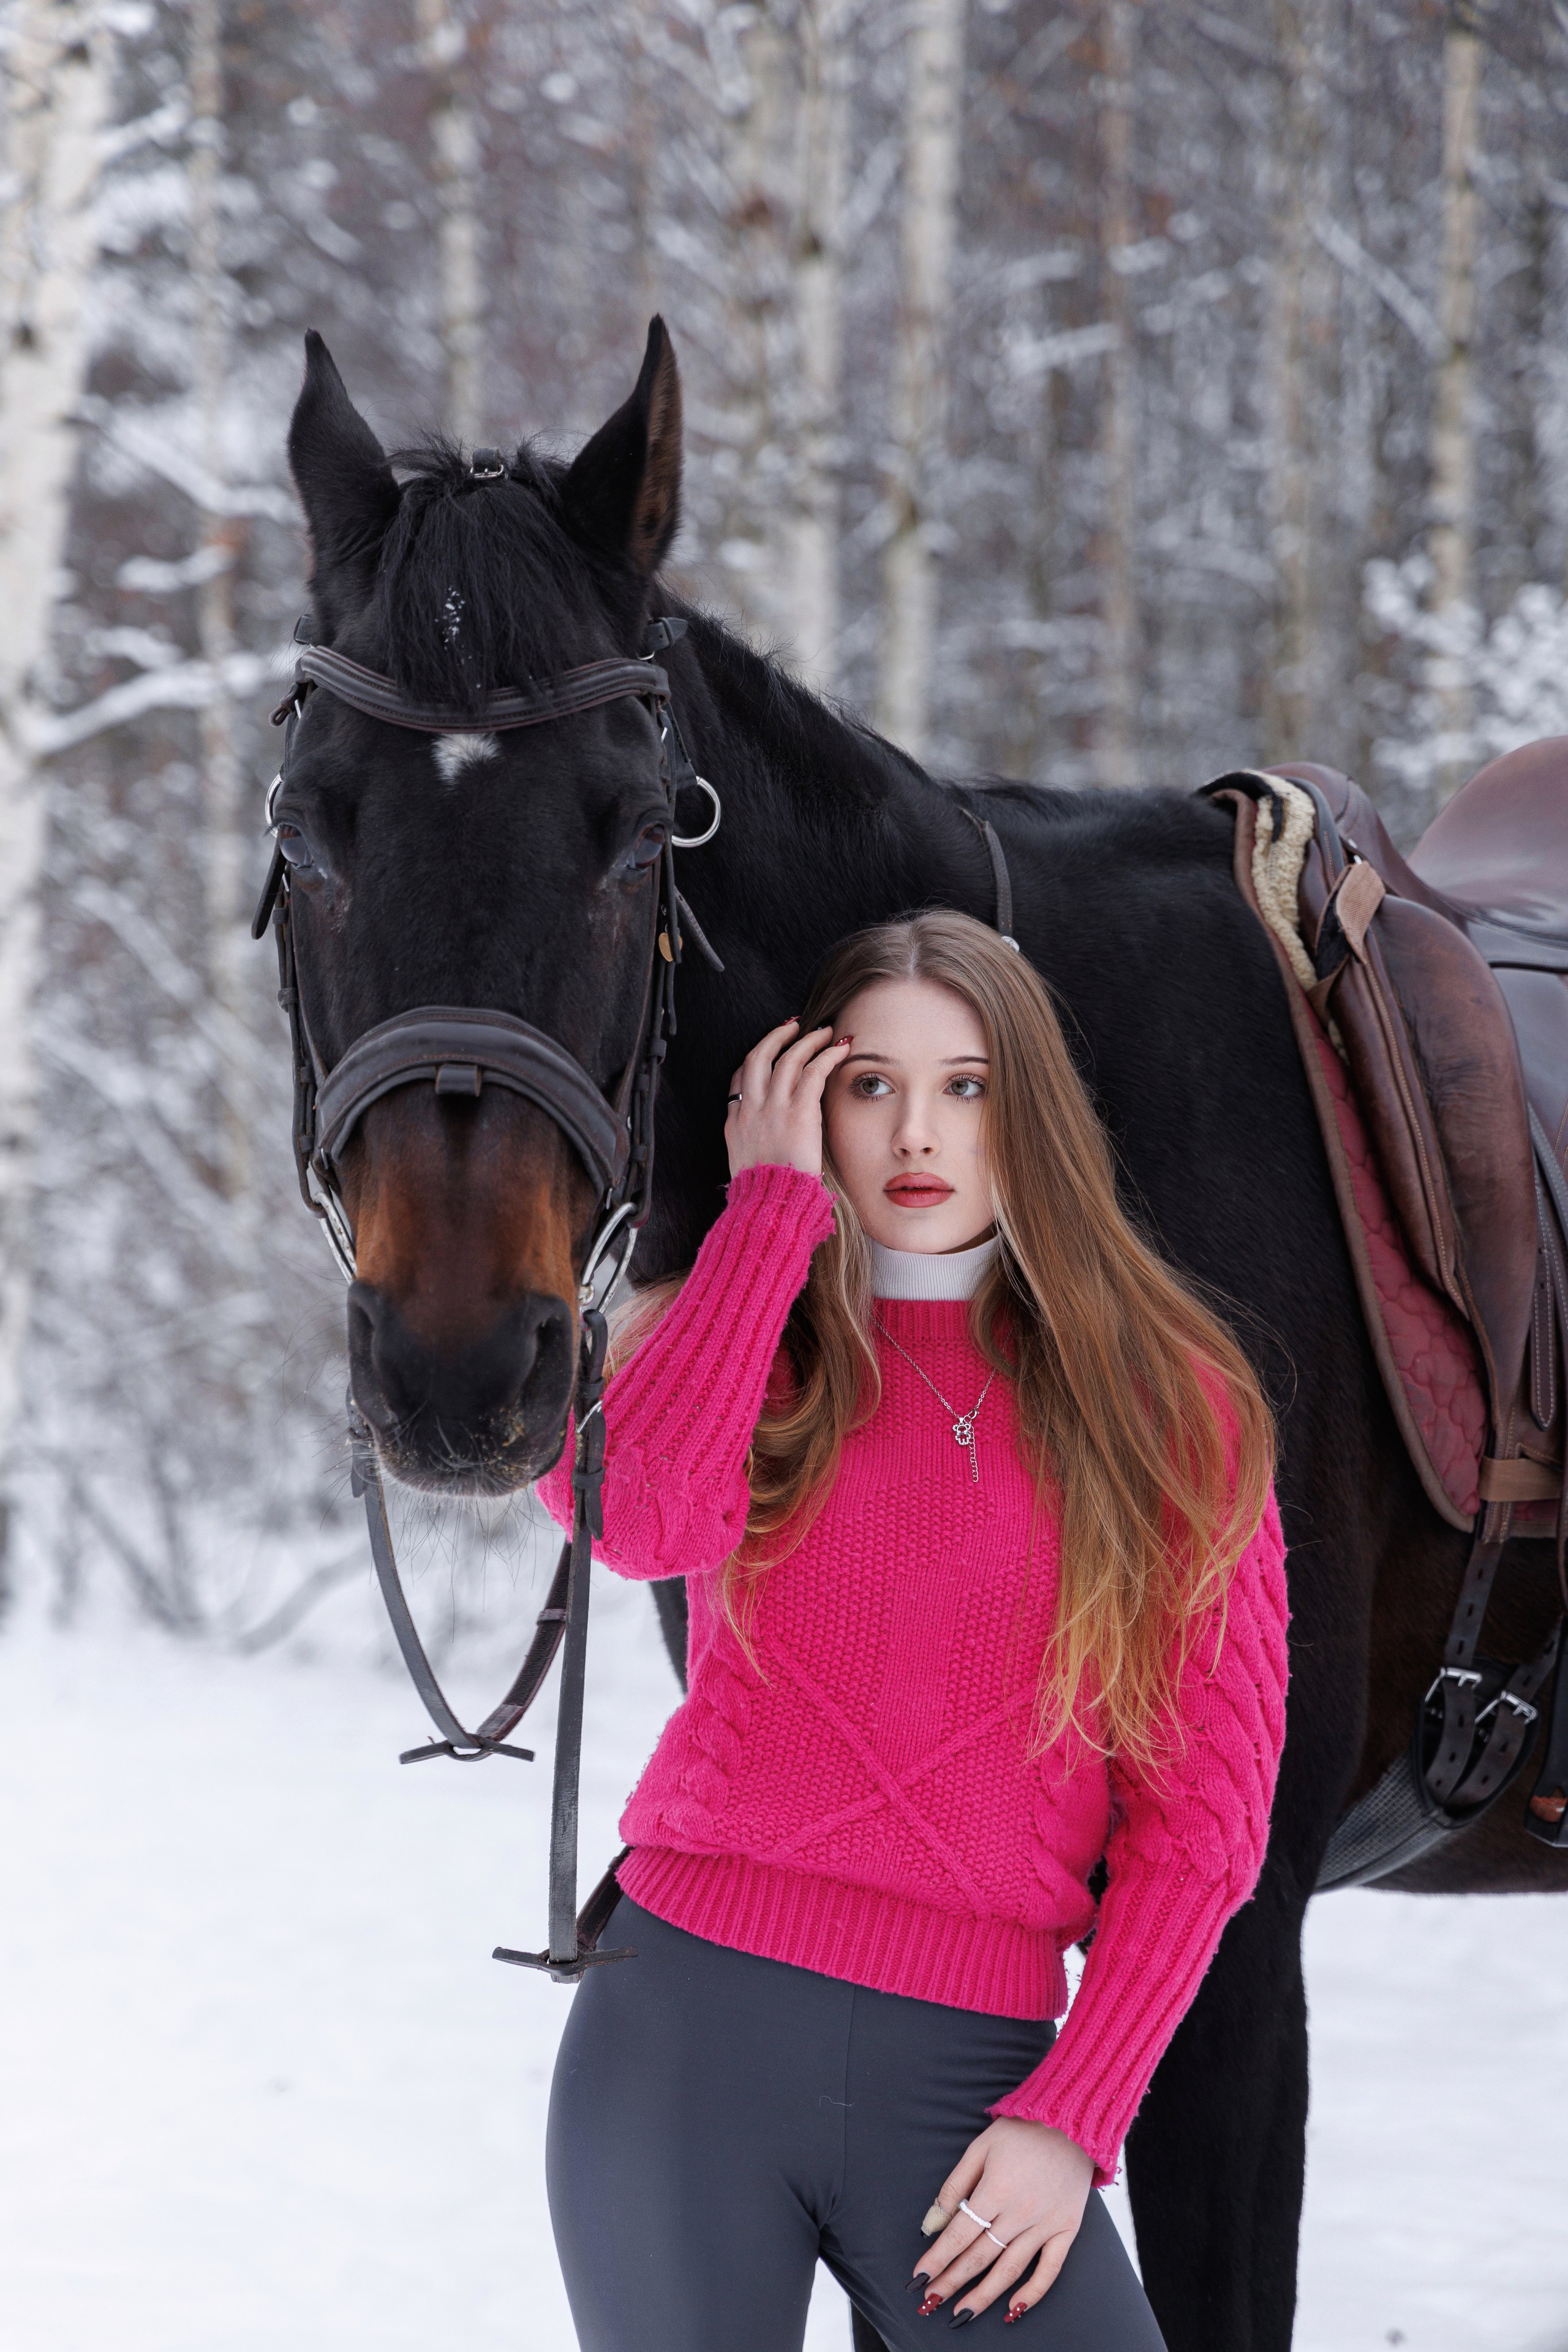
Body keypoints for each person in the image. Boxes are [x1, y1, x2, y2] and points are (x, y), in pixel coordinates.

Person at [541, 910, 1288, 2351]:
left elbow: (1202, 1823)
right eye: (867, 1085)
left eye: (965, 1085)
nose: (914, 1133)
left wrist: (1072, 2116)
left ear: (1031, 1111)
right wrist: (766, 1221)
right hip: (681, 2036)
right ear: (809, 1108)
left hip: (969, 2089)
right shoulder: (741, 1342)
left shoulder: (1170, 1406)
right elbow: (632, 1522)